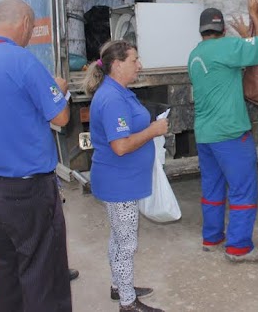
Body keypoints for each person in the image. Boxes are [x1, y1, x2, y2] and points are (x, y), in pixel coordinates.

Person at [0, 0, 72, 312]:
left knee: (6, 276)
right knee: (43, 276)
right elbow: (60, 118)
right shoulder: (21, 60)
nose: (29, 36)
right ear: (23, 24)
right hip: (27, 189)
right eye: (31, 29)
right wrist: (57, 89)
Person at [83, 40, 166, 312]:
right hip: (119, 183)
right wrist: (153, 131)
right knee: (126, 243)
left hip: (123, 181)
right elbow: (120, 146)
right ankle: (128, 303)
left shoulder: (120, 91)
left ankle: (120, 286)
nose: (139, 65)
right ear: (117, 65)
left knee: (119, 238)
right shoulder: (112, 98)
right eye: (134, 60)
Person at [187, 0, 258, 262]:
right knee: (242, 188)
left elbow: (239, 61)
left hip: (205, 135)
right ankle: (238, 247)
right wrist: (255, 14)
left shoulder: (195, 54)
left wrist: (246, 38)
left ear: (201, 31)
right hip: (231, 134)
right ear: (223, 30)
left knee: (212, 188)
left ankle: (212, 239)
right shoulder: (227, 46)